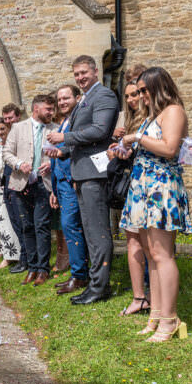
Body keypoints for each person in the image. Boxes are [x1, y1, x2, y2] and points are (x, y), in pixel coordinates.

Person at [118, 67, 192, 342]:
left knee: (163, 254)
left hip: (161, 187)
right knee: (151, 254)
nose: (139, 96)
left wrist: (137, 137)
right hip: (144, 186)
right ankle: (157, 314)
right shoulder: (152, 116)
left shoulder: (173, 111)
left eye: (143, 91)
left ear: (156, 88)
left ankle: (170, 319)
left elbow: (170, 148)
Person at [47, 55, 119, 304]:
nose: (80, 78)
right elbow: (84, 138)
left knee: (97, 232)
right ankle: (93, 281)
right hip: (82, 173)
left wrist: (64, 139)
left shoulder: (105, 96)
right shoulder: (85, 100)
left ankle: (99, 287)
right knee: (89, 230)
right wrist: (62, 151)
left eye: (84, 73)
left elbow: (100, 131)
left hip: (94, 175)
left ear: (95, 71)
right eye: (76, 74)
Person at [3, 94, 57, 285]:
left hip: (44, 184)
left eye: (52, 109)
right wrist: (18, 163)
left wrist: (51, 163)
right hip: (20, 183)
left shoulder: (56, 129)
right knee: (26, 226)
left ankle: (43, 269)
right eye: (48, 109)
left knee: (41, 226)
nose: (52, 112)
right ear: (36, 108)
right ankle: (31, 268)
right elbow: (6, 153)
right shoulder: (18, 128)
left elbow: (62, 153)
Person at [108, 77, 150, 314]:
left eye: (136, 94)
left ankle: (153, 291)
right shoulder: (130, 120)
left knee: (150, 242)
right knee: (133, 238)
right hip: (132, 182)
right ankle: (140, 295)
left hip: (149, 183)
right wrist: (116, 148)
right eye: (129, 96)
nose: (133, 99)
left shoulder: (152, 117)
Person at [51, 84, 91, 297]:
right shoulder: (64, 121)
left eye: (66, 98)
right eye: (59, 99)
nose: (62, 102)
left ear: (77, 97)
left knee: (72, 226)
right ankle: (78, 272)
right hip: (62, 183)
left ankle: (80, 274)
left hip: (73, 180)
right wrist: (54, 190)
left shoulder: (79, 119)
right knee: (70, 227)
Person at [0, 117, 21, 268]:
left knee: (10, 220)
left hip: (10, 185)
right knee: (0, 222)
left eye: (2, 128)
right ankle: (4, 253)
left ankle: (14, 254)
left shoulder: (13, 145)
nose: (0, 132)